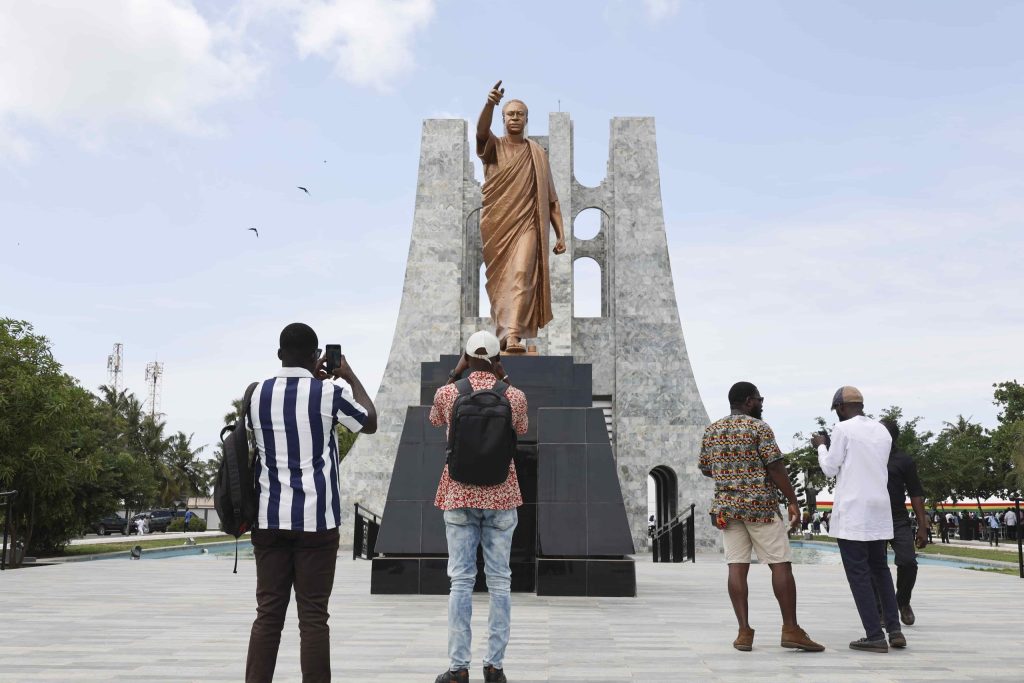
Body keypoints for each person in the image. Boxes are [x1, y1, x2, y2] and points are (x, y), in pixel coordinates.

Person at [245, 322, 377, 683]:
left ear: (279, 355)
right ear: (318, 356)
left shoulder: (256, 395)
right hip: (317, 524)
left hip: (268, 522)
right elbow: (369, 422)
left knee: (268, 615)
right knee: (314, 618)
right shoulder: (327, 393)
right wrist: (347, 376)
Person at [431, 331, 528, 683]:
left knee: (461, 581)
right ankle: (494, 667)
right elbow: (522, 427)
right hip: (502, 494)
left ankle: (458, 669)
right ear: (497, 358)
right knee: (500, 582)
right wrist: (505, 378)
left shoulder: (448, 394)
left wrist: (453, 376)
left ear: (467, 357)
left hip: (458, 493)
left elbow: (434, 420)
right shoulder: (514, 396)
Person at [699, 381, 824, 653]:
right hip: (761, 508)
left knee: (736, 566)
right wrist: (792, 500)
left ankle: (744, 632)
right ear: (747, 401)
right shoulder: (759, 428)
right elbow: (775, 466)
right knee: (780, 564)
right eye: (759, 399)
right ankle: (790, 629)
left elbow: (706, 469)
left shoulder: (712, 430)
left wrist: (729, 472)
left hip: (727, 509)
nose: (761, 403)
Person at [812, 386, 906, 653]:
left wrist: (821, 447)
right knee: (881, 570)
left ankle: (875, 635)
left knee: (859, 574)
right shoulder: (882, 431)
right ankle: (895, 629)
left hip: (854, 512)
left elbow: (830, 469)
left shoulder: (843, 430)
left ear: (841, 408)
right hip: (879, 509)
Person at [475, 80, 567, 353]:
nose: (515, 118)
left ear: (527, 119)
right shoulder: (494, 147)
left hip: (527, 224)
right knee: (499, 283)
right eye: (509, 114)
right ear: (503, 119)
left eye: (520, 114)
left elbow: (551, 199)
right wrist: (489, 104)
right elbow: (481, 133)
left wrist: (560, 233)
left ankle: (513, 335)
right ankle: (503, 334)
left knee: (521, 274)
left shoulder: (536, 153)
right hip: (497, 226)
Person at [874, 419, 929, 626]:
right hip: (873, 519)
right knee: (875, 566)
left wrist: (923, 526)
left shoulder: (904, 460)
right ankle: (881, 611)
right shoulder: (867, 457)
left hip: (898, 519)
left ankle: (903, 601)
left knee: (908, 562)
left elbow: (916, 493)